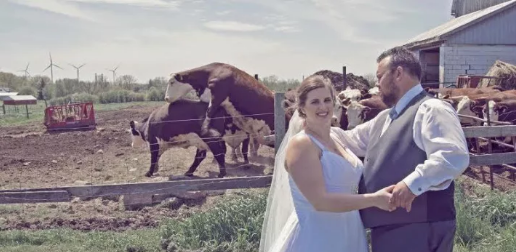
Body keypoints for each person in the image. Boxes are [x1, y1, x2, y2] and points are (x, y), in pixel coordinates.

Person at [338, 46, 470, 252]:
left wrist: (411, 185)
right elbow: (348, 140)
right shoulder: (384, 118)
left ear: (398, 73)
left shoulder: (431, 109)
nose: (376, 84)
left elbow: (453, 156)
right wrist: (310, 125)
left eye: (379, 76)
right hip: (389, 228)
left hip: (421, 227)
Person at [259, 75, 397, 252]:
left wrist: (398, 111)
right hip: (317, 236)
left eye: (327, 100)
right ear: (302, 107)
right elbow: (320, 201)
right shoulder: (302, 144)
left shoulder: (337, 136)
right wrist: (374, 200)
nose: (323, 107)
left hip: (348, 230)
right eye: (315, 102)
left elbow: (372, 131)